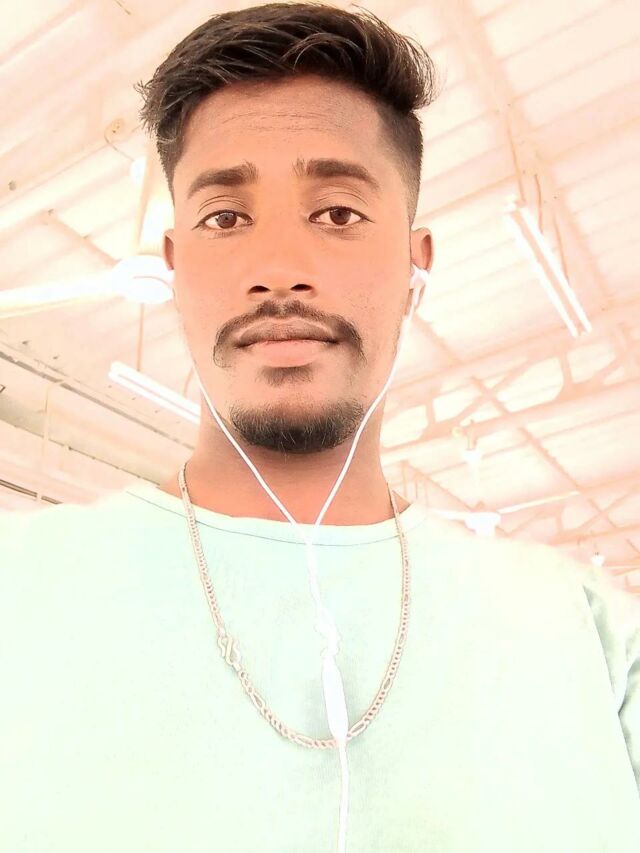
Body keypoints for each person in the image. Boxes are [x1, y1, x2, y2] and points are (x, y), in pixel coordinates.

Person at [1, 4, 639, 851]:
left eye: (337, 212)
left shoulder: (592, 638)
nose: (279, 271)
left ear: (415, 265)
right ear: (174, 267)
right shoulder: (17, 590)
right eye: (225, 217)